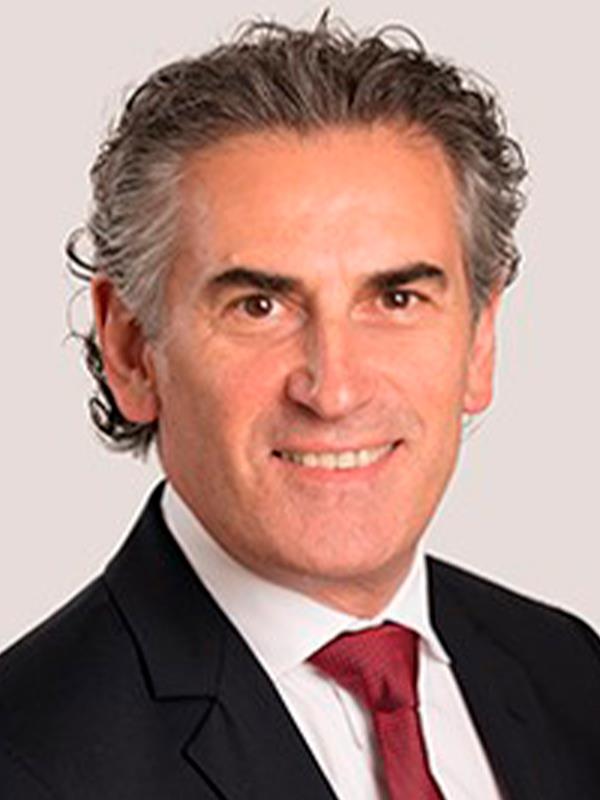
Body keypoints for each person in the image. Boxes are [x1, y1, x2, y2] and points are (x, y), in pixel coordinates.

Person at [1, 14, 598, 800]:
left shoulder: (569, 673)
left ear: (480, 341)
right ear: (131, 348)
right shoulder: (26, 760)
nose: (334, 389)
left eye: (396, 298)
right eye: (259, 307)